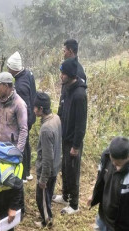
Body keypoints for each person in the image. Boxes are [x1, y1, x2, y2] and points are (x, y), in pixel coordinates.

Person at [52, 58, 88, 214]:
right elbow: (61, 112)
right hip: (64, 137)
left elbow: (81, 124)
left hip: (73, 141)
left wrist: (76, 145)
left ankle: (74, 204)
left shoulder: (80, 95)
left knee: (73, 172)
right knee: (65, 168)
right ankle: (65, 196)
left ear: (71, 74)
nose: (61, 76)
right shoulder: (66, 89)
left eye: (63, 73)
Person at [33, 92, 62, 228]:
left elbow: (47, 157)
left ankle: (47, 221)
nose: (34, 110)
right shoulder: (56, 118)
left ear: (41, 109)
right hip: (55, 166)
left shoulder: (46, 129)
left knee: (42, 197)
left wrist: (43, 179)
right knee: (48, 194)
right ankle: (46, 214)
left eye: (35, 108)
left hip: (47, 169)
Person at [7, 51, 37, 181]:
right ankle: (28, 172)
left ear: (13, 69)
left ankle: (23, 175)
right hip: (31, 116)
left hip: (25, 118)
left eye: (9, 67)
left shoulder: (20, 85)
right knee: (27, 143)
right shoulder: (28, 74)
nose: (8, 69)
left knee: (22, 143)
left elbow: (23, 106)